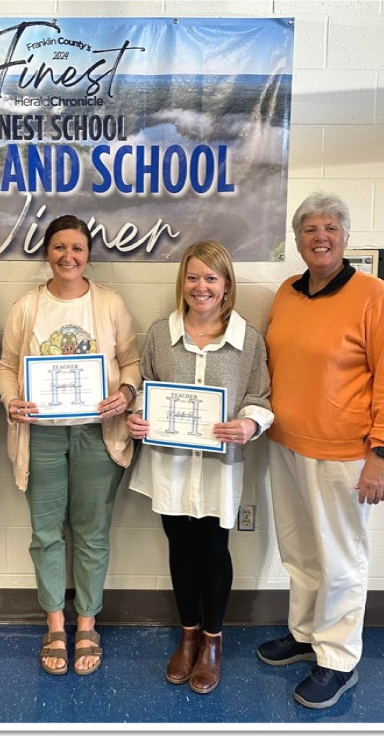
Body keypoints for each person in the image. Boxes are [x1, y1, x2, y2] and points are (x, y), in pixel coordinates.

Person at [257, 192, 384, 708]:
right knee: (300, 553)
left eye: (330, 228)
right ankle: (304, 634)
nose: (320, 237)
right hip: (286, 445)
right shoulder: (287, 292)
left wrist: (383, 453)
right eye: (309, 229)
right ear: (297, 240)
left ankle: (338, 659)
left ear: (345, 237)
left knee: (340, 559)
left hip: (345, 454)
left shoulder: (374, 296)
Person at [125, 241, 273, 695]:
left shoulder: (247, 340)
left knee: (213, 549)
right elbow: (145, 389)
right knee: (179, 547)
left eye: (211, 278)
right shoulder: (158, 333)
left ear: (227, 285)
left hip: (217, 466)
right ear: (182, 283)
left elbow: (261, 397)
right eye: (193, 277)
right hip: (169, 465)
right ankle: (187, 634)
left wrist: (249, 422)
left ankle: (212, 641)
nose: (201, 287)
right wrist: (137, 419)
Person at [0, 214, 141, 676]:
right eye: (59, 247)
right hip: (41, 435)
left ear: (88, 254)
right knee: (45, 534)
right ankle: (55, 623)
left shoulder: (111, 304)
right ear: (47, 253)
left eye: (77, 248)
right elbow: (4, 366)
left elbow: (132, 362)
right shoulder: (26, 307)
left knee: (92, 533)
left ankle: (87, 624)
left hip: (97, 436)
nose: (68, 256)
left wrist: (126, 394)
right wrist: (11, 399)